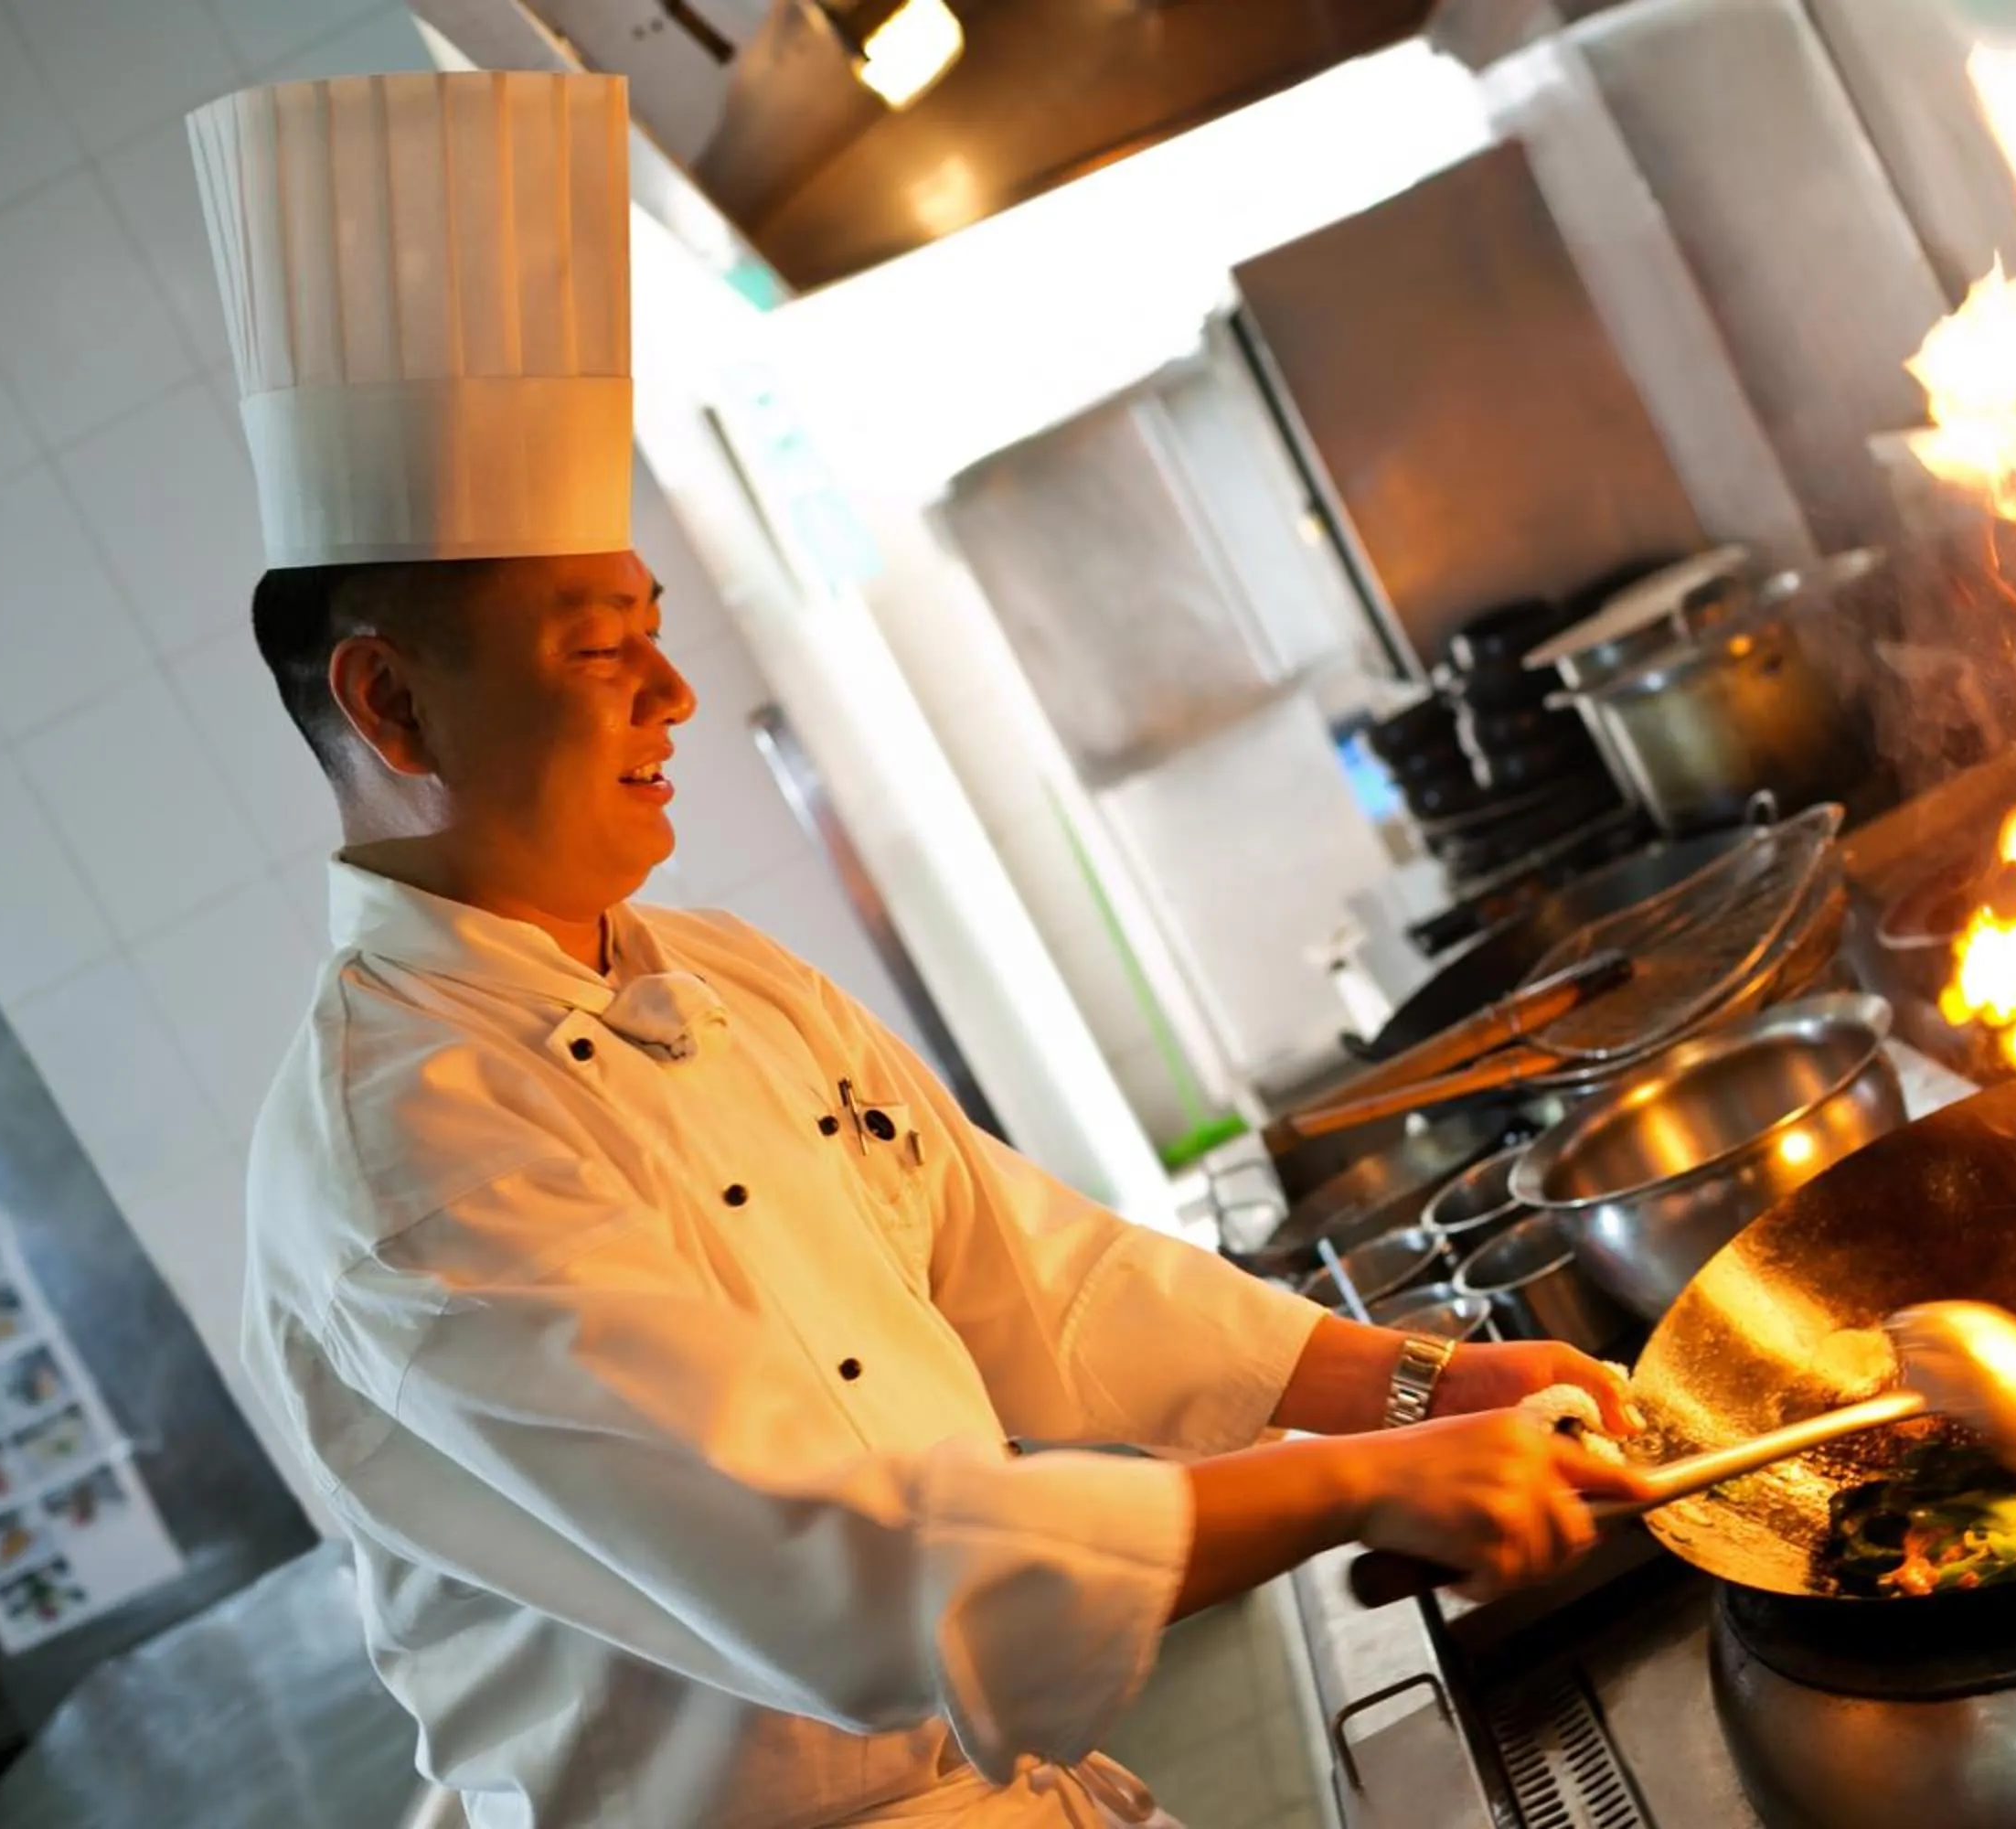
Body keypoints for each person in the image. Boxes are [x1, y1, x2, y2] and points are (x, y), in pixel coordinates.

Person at [198, 72, 1644, 1829]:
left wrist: (1428, 1376)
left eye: (656, 634)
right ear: (389, 698)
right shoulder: (408, 1148)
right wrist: (1359, 1485)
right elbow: (839, 1569)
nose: (674, 695)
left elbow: (1040, 1280)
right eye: (599, 652)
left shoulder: (722, 981)